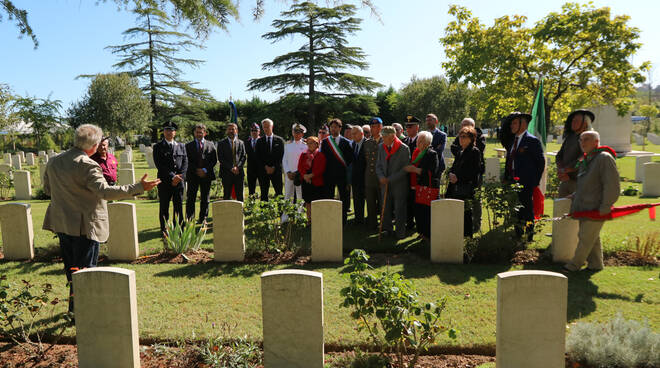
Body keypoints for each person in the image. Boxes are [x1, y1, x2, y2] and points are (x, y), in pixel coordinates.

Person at [42, 124, 160, 313]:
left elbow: (48, 190)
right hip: (85, 226)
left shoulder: (54, 161)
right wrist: (138, 187)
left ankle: (74, 310)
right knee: (85, 272)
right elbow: (105, 192)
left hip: (62, 223)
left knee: (72, 271)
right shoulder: (87, 164)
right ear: (95, 145)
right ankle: (84, 312)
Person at [563, 131, 620, 272]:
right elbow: (587, 184)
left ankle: (574, 265)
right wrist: (575, 195)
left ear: (596, 142)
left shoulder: (604, 158)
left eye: (587, 139)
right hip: (584, 206)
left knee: (585, 238)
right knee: (592, 238)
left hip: (596, 208)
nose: (583, 143)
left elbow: (612, 185)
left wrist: (606, 206)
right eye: (581, 140)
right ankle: (596, 264)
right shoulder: (588, 158)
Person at [503, 112, 545, 241]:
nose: (512, 125)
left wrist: (534, 181)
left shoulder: (532, 141)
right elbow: (509, 160)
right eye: (511, 123)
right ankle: (518, 233)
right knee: (516, 209)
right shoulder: (512, 141)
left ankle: (529, 234)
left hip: (526, 182)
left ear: (524, 124)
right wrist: (506, 177)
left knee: (526, 209)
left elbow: (540, 162)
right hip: (512, 180)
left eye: (515, 123)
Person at [450, 117, 486, 233]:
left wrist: (458, 177)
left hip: (468, 185)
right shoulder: (461, 151)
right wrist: (451, 173)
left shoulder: (475, 150)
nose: (460, 139)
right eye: (460, 136)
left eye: (463, 137)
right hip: (458, 184)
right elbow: (453, 150)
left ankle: (472, 230)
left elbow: (473, 171)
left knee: (470, 207)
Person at [376, 125, 411, 239]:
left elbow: (405, 169)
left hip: (399, 184)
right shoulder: (381, 147)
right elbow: (378, 165)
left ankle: (400, 232)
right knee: (385, 207)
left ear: (392, 136)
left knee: (399, 208)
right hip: (384, 184)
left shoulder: (403, 148)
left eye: (384, 136)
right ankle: (387, 230)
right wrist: (381, 177)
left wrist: (389, 179)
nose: (382, 139)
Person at [153, 121, 188, 234]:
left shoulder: (181, 146)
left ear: (175, 132)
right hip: (165, 182)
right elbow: (159, 165)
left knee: (178, 207)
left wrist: (180, 176)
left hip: (179, 182)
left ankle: (179, 229)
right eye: (167, 130)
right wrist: (173, 177)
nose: (169, 132)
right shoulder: (158, 147)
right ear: (163, 132)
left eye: (171, 130)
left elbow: (185, 162)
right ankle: (165, 230)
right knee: (164, 207)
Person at [403, 131, 439, 239]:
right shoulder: (417, 152)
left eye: (421, 141)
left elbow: (433, 171)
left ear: (428, 142)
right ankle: (421, 232)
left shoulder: (432, 153)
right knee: (418, 211)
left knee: (426, 212)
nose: (418, 143)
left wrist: (415, 170)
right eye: (418, 140)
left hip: (427, 187)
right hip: (417, 186)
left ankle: (428, 234)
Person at [321, 118, 354, 223]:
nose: (333, 129)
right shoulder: (325, 142)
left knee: (344, 198)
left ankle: (343, 219)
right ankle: (328, 218)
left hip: (342, 175)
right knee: (328, 196)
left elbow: (349, 160)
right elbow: (323, 159)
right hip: (328, 175)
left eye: (335, 127)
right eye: (331, 127)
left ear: (340, 128)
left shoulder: (346, 142)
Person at [185, 123, 217, 223]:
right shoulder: (188, 146)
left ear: (205, 133)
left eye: (201, 132)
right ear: (194, 133)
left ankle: (203, 218)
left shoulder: (211, 145)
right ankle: (190, 219)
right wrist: (197, 170)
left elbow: (214, 160)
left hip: (206, 175)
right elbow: (187, 160)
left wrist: (205, 170)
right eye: (197, 132)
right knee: (191, 198)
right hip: (193, 175)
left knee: (205, 198)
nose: (199, 134)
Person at [556, 109, 593, 197]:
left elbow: (583, 157)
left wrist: (566, 170)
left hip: (579, 183)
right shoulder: (569, 137)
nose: (573, 122)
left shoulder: (589, 138)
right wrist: (561, 169)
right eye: (572, 120)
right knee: (562, 208)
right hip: (565, 180)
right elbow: (559, 155)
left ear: (585, 124)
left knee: (578, 210)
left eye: (576, 121)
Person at [282, 123, 308, 220]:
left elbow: (306, 162)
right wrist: (288, 172)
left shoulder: (305, 146)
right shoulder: (287, 145)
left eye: (299, 132)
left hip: (300, 174)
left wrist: (299, 173)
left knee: (300, 195)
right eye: (295, 132)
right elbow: (284, 160)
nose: (297, 134)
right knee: (288, 195)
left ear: (302, 134)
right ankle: (285, 216)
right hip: (289, 175)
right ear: (292, 133)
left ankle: (299, 215)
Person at [298, 136, 327, 222]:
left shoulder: (320, 155)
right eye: (308, 143)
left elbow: (321, 168)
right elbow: (300, 167)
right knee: (307, 202)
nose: (309, 145)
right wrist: (305, 176)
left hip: (317, 182)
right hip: (306, 182)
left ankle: (317, 220)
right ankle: (309, 220)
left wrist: (310, 176)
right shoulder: (303, 155)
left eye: (311, 143)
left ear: (317, 144)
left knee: (316, 202)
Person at [255, 118, 285, 201]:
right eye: (264, 127)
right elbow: (258, 157)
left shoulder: (280, 140)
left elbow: (281, 156)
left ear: (272, 126)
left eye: (268, 127)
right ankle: (264, 212)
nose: (266, 129)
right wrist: (266, 167)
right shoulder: (259, 141)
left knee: (279, 193)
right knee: (264, 193)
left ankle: (281, 212)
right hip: (263, 171)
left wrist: (273, 167)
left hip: (276, 171)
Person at [217, 123, 246, 201]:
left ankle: (240, 213)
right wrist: (231, 168)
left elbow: (243, 157)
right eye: (229, 129)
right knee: (227, 196)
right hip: (226, 173)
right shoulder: (221, 144)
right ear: (226, 131)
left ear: (236, 131)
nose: (231, 131)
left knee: (240, 196)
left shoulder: (241, 143)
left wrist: (238, 167)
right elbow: (221, 158)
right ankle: (227, 213)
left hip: (239, 173)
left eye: (233, 129)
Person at [363, 117, 384, 229]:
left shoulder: (385, 141)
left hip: (380, 178)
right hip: (369, 177)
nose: (372, 129)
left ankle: (383, 225)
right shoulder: (367, 143)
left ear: (381, 127)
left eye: (375, 126)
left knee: (382, 203)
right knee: (370, 203)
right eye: (371, 126)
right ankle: (372, 224)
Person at [402, 115, 421, 229]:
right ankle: (409, 223)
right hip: (405, 177)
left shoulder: (422, 141)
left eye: (410, 126)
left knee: (417, 202)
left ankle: (419, 224)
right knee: (407, 201)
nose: (407, 129)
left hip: (417, 177)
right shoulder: (404, 141)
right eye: (406, 127)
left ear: (417, 128)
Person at [351, 125, 367, 224]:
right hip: (355, 178)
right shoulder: (353, 144)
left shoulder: (368, 143)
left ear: (361, 134)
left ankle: (370, 220)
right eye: (352, 134)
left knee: (369, 201)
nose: (352, 136)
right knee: (357, 200)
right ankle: (358, 219)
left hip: (366, 177)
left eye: (354, 133)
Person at [245, 123, 261, 196]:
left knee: (264, 188)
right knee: (251, 190)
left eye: (256, 130)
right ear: (250, 132)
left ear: (259, 132)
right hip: (250, 169)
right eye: (252, 130)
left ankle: (264, 206)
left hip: (261, 169)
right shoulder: (246, 142)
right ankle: (251, 206)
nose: (254, 132)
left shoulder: (263, 141)